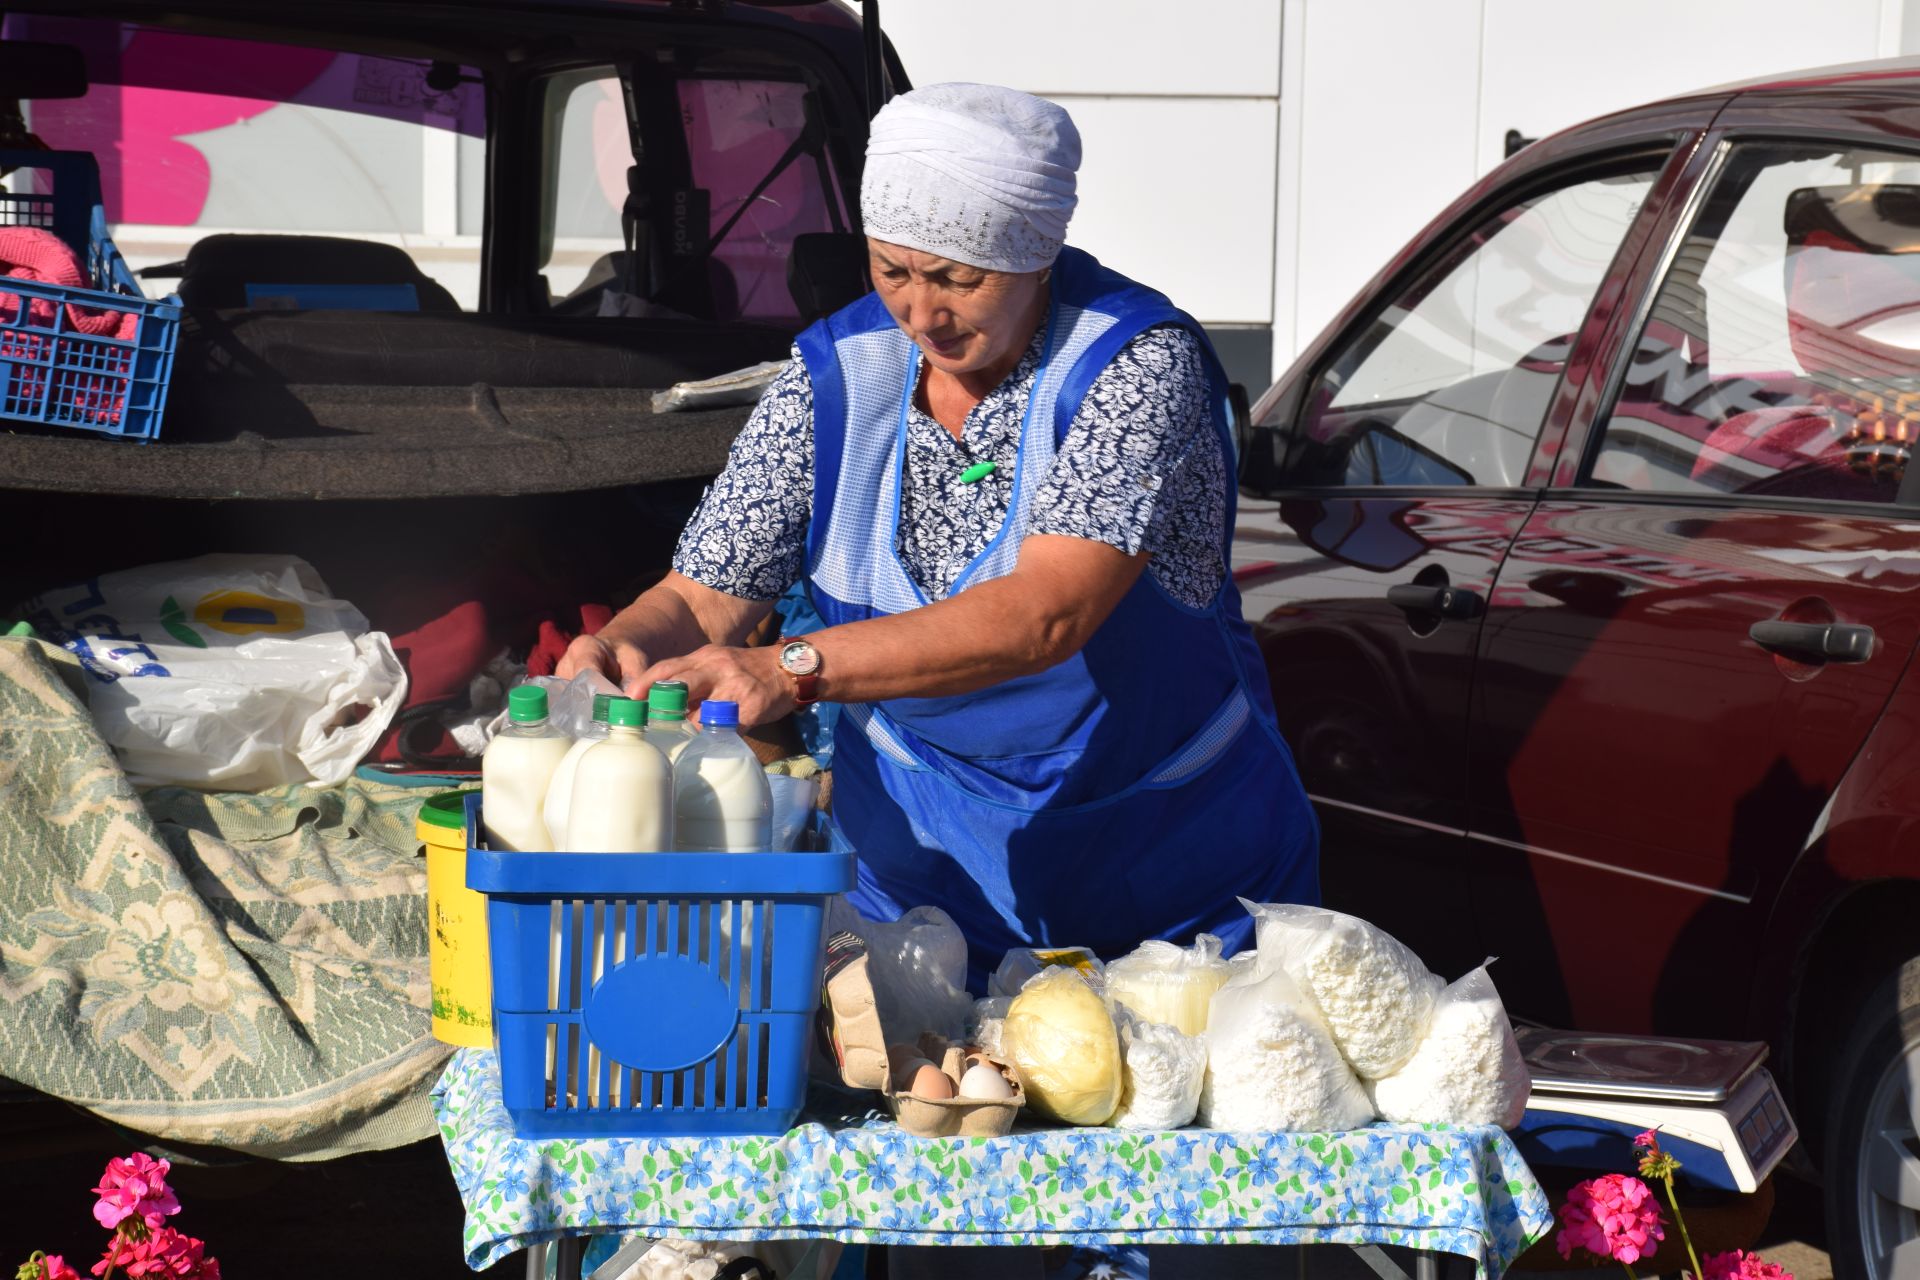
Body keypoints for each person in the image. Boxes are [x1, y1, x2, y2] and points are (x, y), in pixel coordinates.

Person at [559, 81, 1318, 986]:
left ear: (1038, 252)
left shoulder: (1135, 364)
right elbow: (704, 593)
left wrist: (787, 668)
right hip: (921, 893)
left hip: (1169, 887)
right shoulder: (833, 376)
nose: (922, 314)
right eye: (892, 271)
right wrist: (618, 647)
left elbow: (1047, 615)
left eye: (960, 278)